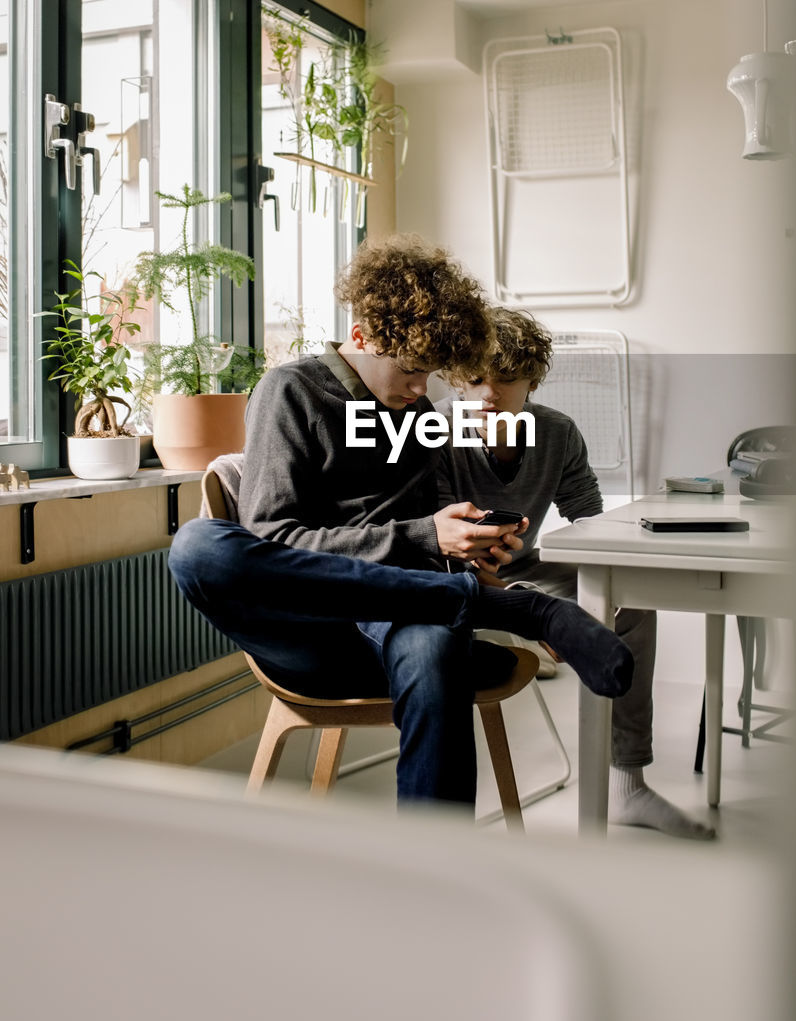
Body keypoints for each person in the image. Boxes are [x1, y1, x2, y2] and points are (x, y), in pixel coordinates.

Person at [169, 237, 632, 810]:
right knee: (198, 548)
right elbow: (275, 542)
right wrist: (423, 536)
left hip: (405, 615)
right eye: (412, 371)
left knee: (434, 645)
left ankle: (435, 872)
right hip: (308, 628)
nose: (422, 390)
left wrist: (462, 544)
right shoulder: (290, 393)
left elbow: (418, 540)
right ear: (361, 337)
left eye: (431, 374)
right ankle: (516, 609)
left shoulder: (415, 417)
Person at [435, 306, 714, 840]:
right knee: (558, 604)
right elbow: (442, 547)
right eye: (474, 379)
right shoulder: (433, 431)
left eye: (506, 379)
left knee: (629, 598)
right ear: (455, 376)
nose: (489, 393)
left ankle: (627, 784)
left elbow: (589, 519)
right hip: (452, 575)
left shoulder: (556, 433)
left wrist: (618, 566)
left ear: (532, 381)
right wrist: (548, 615)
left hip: (524, 567)